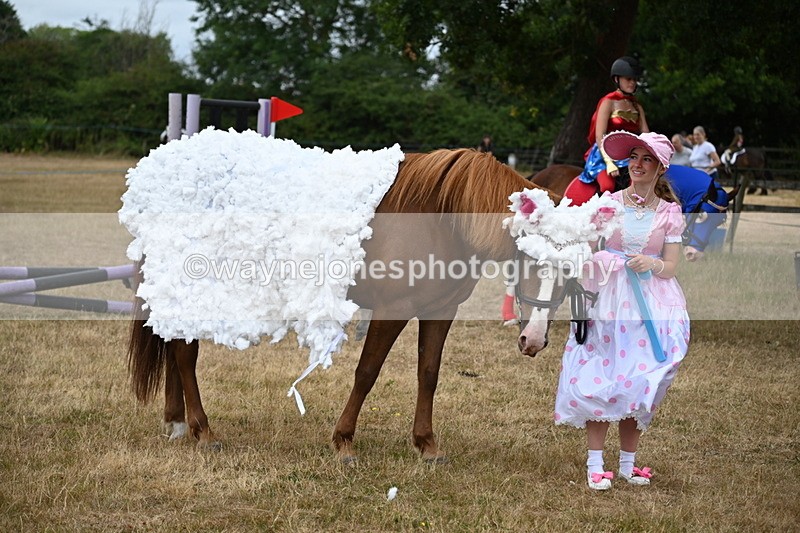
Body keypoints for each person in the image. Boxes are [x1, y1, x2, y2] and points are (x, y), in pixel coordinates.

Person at [554, 131, 689, 491]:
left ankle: (628, 464)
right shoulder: (607, 203)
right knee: (603, 372)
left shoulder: (669, 214)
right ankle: (595, 463)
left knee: (640, 378)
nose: (638, 165)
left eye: (646, 159)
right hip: (610, 295)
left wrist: (652, 263)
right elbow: (585, 244)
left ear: (660, 168)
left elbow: (672, 266)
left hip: (652, 299)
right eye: (634, 157)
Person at [564, 56, 649, 206]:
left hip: (630, 154)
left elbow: (647, 135)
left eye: (634, 79)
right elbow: (599, 135)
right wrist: (610, 163)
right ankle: (599, 217)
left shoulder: (637, 106)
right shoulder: (608, 102)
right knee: (607, 186)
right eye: (628, 79)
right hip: (604, 154)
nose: (632, 82)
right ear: (617, 79)